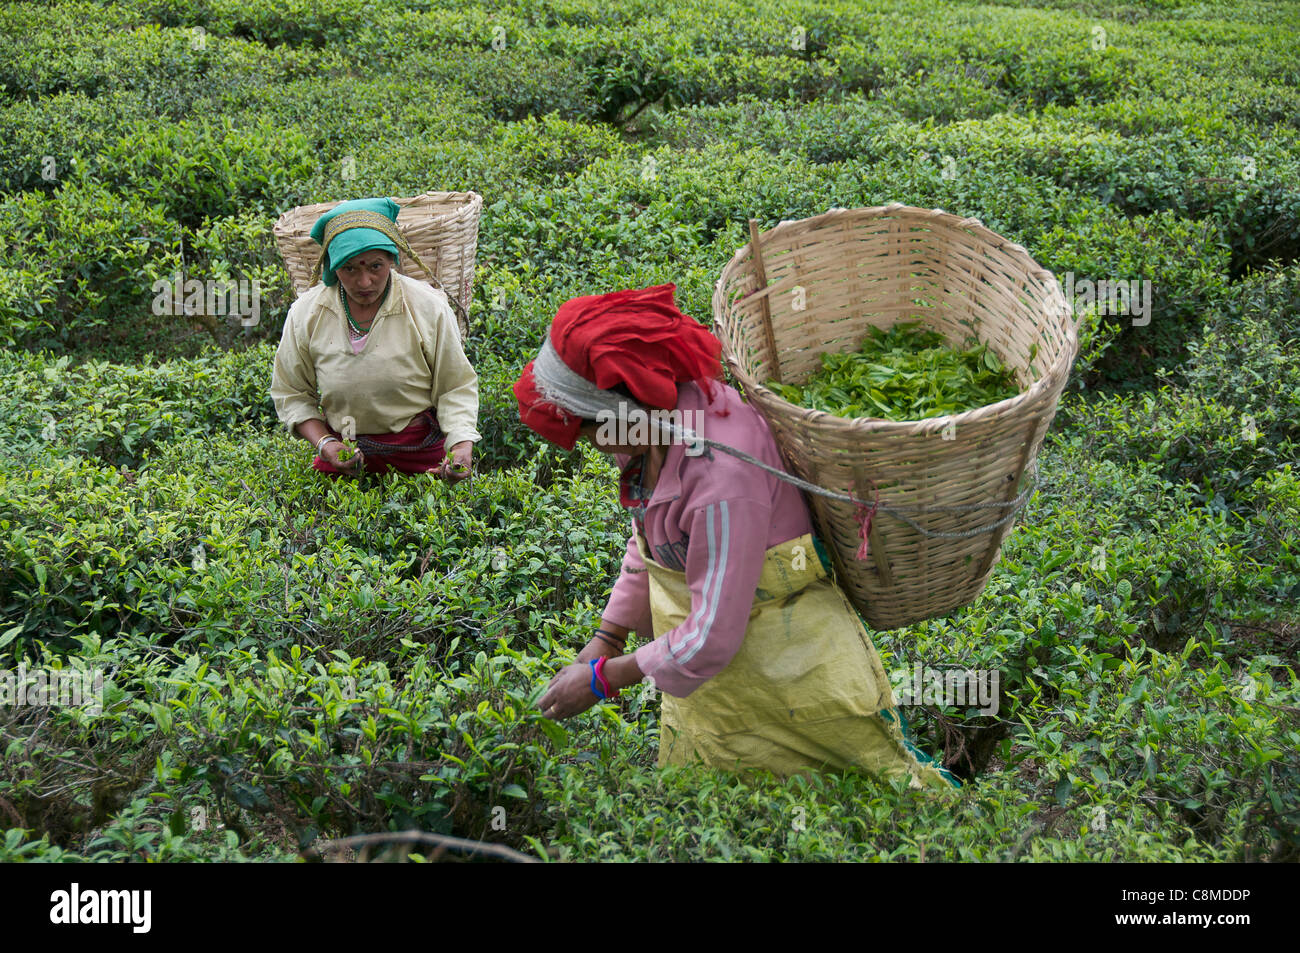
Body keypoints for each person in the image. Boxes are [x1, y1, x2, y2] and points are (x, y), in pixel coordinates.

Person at [514, 283, 954, 787]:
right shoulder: (648, 427)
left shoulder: (722, 479)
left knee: (862, 796)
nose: (589, 444)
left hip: (794, 675)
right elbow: (648, 541)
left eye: (588, 431)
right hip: (714, 681)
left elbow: (712, 635)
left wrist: (600, 681)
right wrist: (604, 640)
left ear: (622, 413)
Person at [270, 197, 479, 480]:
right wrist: (326, 444)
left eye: (375, 266)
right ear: (332, 268)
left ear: (392, 260)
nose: (364, 281)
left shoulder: (427, 306)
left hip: (420, 452)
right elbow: (291, 393)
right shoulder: (307, 313)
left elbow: (455, 386)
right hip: (343, 452)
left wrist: (461, 449)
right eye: (350, 268)